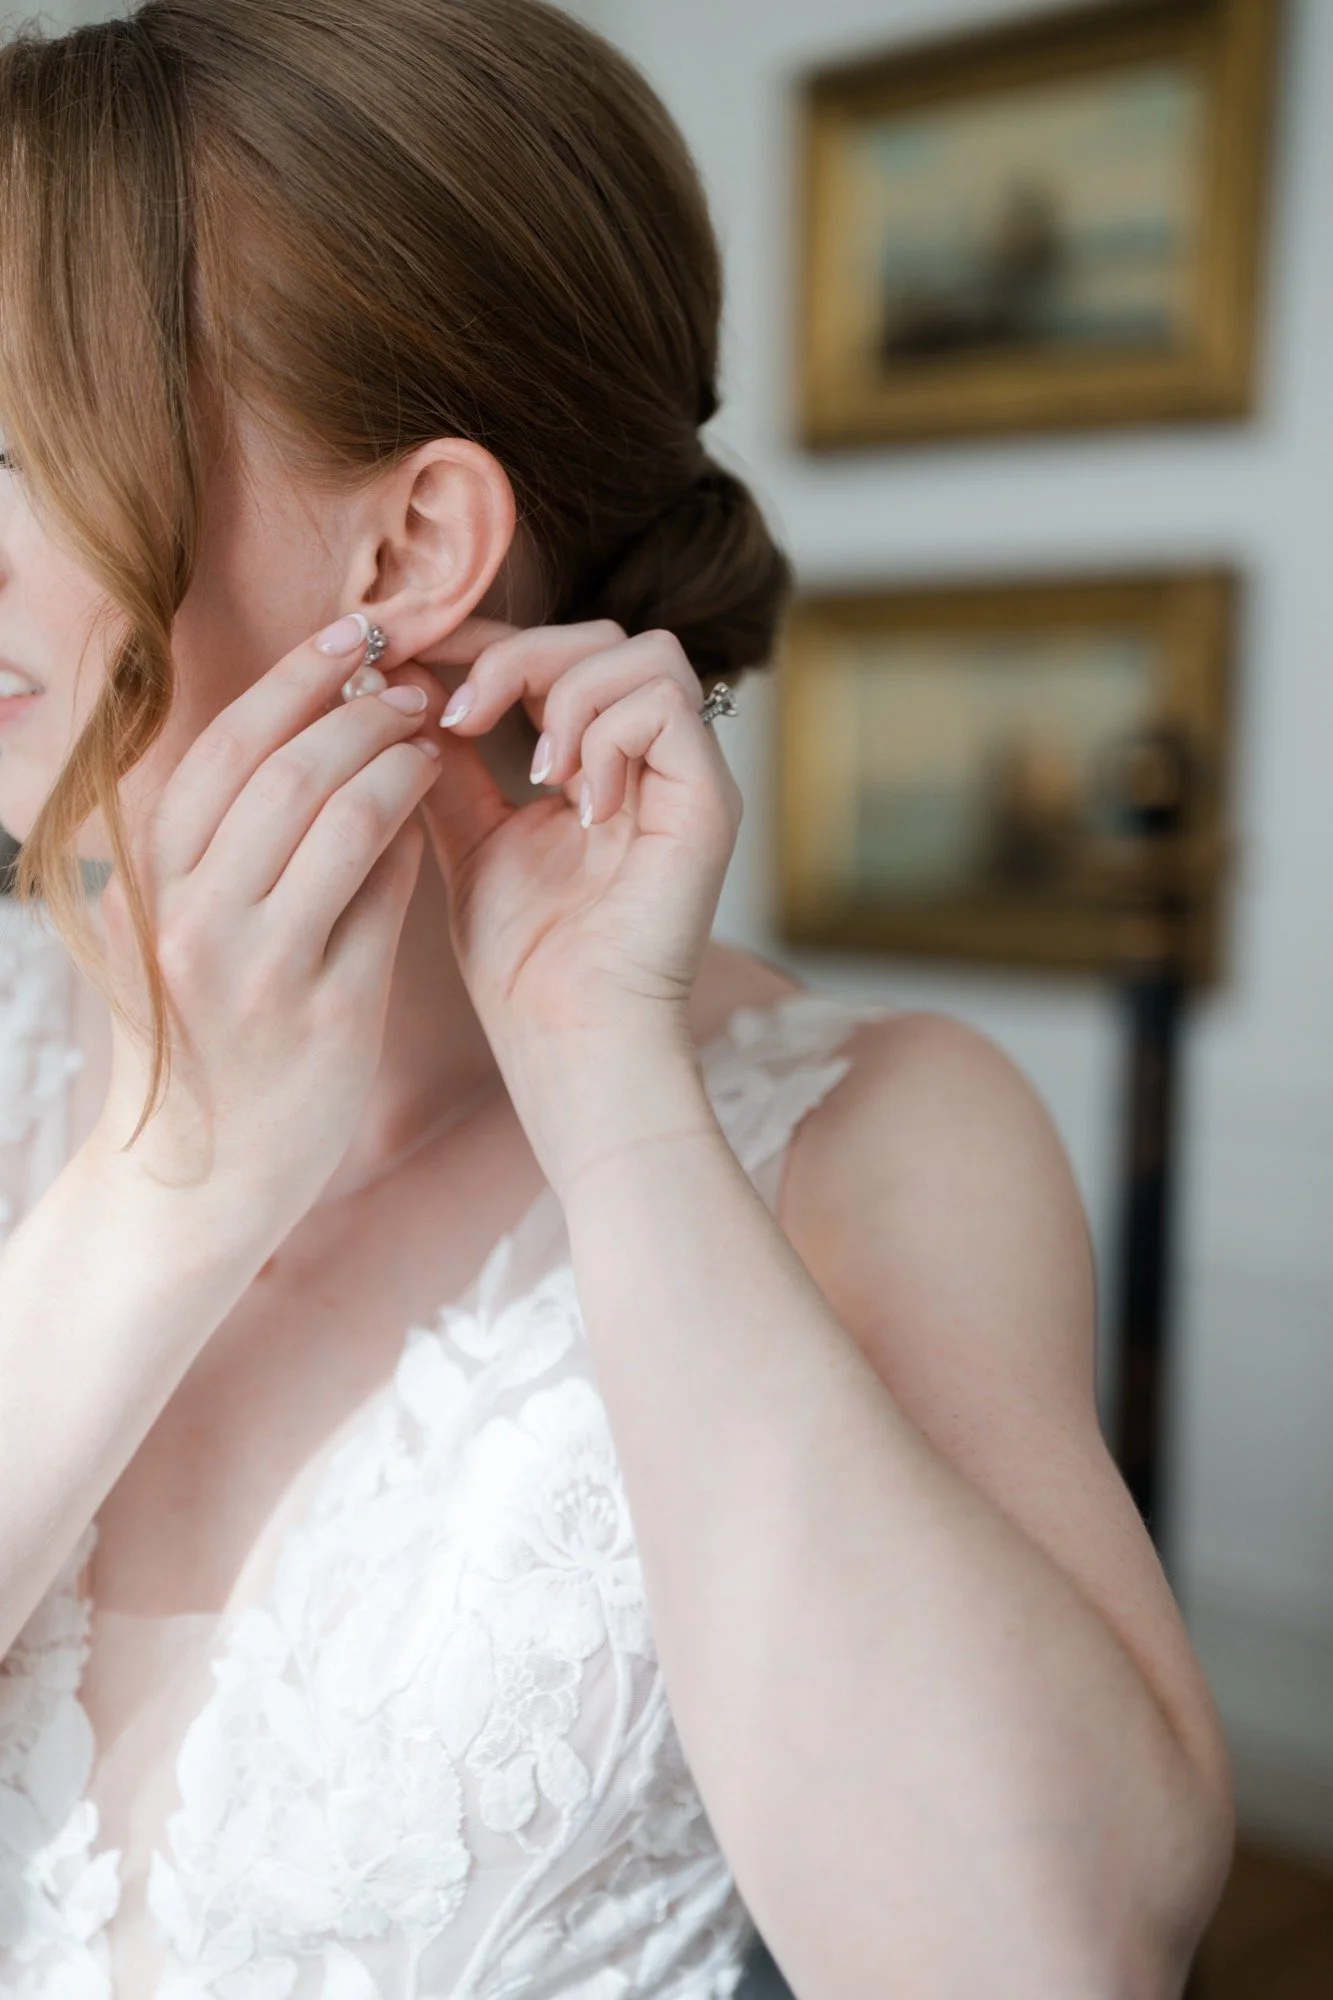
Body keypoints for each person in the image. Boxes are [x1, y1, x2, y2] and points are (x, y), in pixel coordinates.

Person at [0, 3, 1234, 1996]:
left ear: (409, 546)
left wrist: (610, 1087)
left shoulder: (872, 1134)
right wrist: (175, 1181)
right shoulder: (17, 1055)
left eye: (15, 441)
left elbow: (1036, 1952)